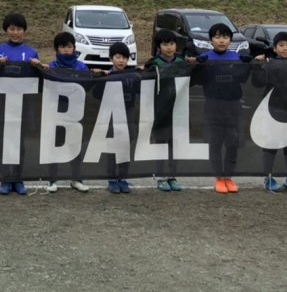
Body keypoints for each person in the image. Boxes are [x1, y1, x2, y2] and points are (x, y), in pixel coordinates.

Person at [193, 23, 251, 194]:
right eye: (217, 37)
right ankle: (218, 177)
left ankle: (229, 177)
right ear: (211, 40)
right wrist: (198, 65)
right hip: (213, 105)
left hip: (233, 105)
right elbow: (197, 80)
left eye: (225, 37)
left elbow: (243, 79)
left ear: (230, 40)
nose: (221, 40)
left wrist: (248, 64)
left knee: (233, 141)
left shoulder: (236, 57)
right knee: (215, 142)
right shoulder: (206, 57)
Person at [251, 31, 287, 193]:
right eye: (281, 45)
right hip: (272, 110)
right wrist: (256, 66)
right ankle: (268, 177)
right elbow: (257, 83)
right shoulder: (269, 65)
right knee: (271, 144)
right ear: (275, 49)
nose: (285, 48)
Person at [0, 13, 40, 195]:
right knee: (4, 141)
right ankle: (5, 178)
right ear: (6, 30)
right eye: (12, 29)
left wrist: (38, 66)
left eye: (19, 29)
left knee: (20, 142)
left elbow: (38, 79)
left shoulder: (32, 52)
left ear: (24, 31)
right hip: (3, 102)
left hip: (24, 104)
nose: (15, 32)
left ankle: (18, 178)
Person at [43, 31, 91, 193]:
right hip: (56, 112)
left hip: (75, 114)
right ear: (56, 49)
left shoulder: (81, 66)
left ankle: (76, 179)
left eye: (69, 47)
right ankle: (52, 179)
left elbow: (89, 85)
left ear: (74, 48)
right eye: (62, 47)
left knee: (75, 146)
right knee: (55, 145)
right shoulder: (51, 66)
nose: (66, 50)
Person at [142, 28, 186, 192]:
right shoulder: (153, 64)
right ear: (159, 47)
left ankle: (172, 176)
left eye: (172, 43)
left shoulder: (182, 62)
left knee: (174, 145)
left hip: (178, 110)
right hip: (159, 111)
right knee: (160, 143)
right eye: (165, 44)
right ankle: (160, 176)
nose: (169, 47)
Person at [105, 41, 137, 194]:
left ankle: (123, 178)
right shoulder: (106, 76)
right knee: (112, 147)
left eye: (124, 57)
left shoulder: (133, 75)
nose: (121, 60)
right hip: (111, 115)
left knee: (125, 147)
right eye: (118, 57)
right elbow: (97, 95)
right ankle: (112, 178)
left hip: (128, 114)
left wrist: (145, 70)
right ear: (111, 58)